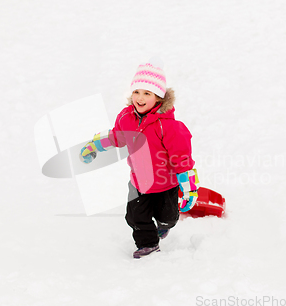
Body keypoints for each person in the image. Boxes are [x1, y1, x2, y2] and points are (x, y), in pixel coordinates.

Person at [80, 58, 199, 259]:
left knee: (167, 217)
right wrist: (95, 145)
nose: (140, 98)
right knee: (135, 216)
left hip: (165, 183)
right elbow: (116, 136)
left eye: (147, 93)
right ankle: (148, 244)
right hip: (139, 182)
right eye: (136, 91)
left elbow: (182, 158)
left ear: (159, 98)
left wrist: (189, 186)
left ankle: (164, 226)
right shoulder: (127, 118)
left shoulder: (168, 127)